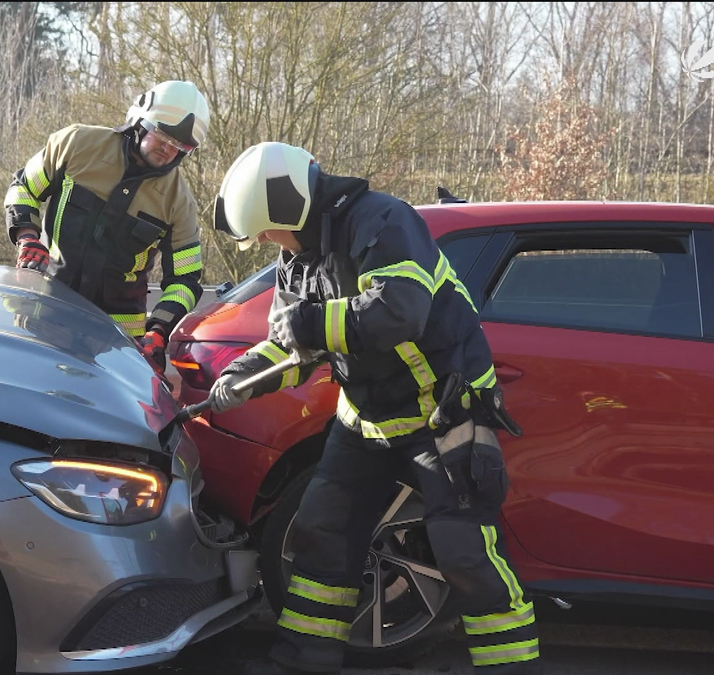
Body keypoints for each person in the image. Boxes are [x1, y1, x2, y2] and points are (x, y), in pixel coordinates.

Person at [209, 142, 540, 674]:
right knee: (323, 532)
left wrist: (310, 327)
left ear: (291, 208)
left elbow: (397, 313)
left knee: (463, 550)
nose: (268, 243)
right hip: (363, 420)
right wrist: (245, 375)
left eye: (268, 231)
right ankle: (303, 658)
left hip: (443, 414)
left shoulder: (383, 222)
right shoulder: (295, 259)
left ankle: (511, 667)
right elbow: (294, 346)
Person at [3, 81, 209, 371]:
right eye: (163, 135)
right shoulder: (75, 145)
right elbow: (23, 188)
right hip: (42, 316)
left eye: (180, 146)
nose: (168, 149)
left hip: (116, 345)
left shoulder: (179, 203)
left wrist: (159, 329)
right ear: (139, 121)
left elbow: (185, 281)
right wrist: (27, 238)